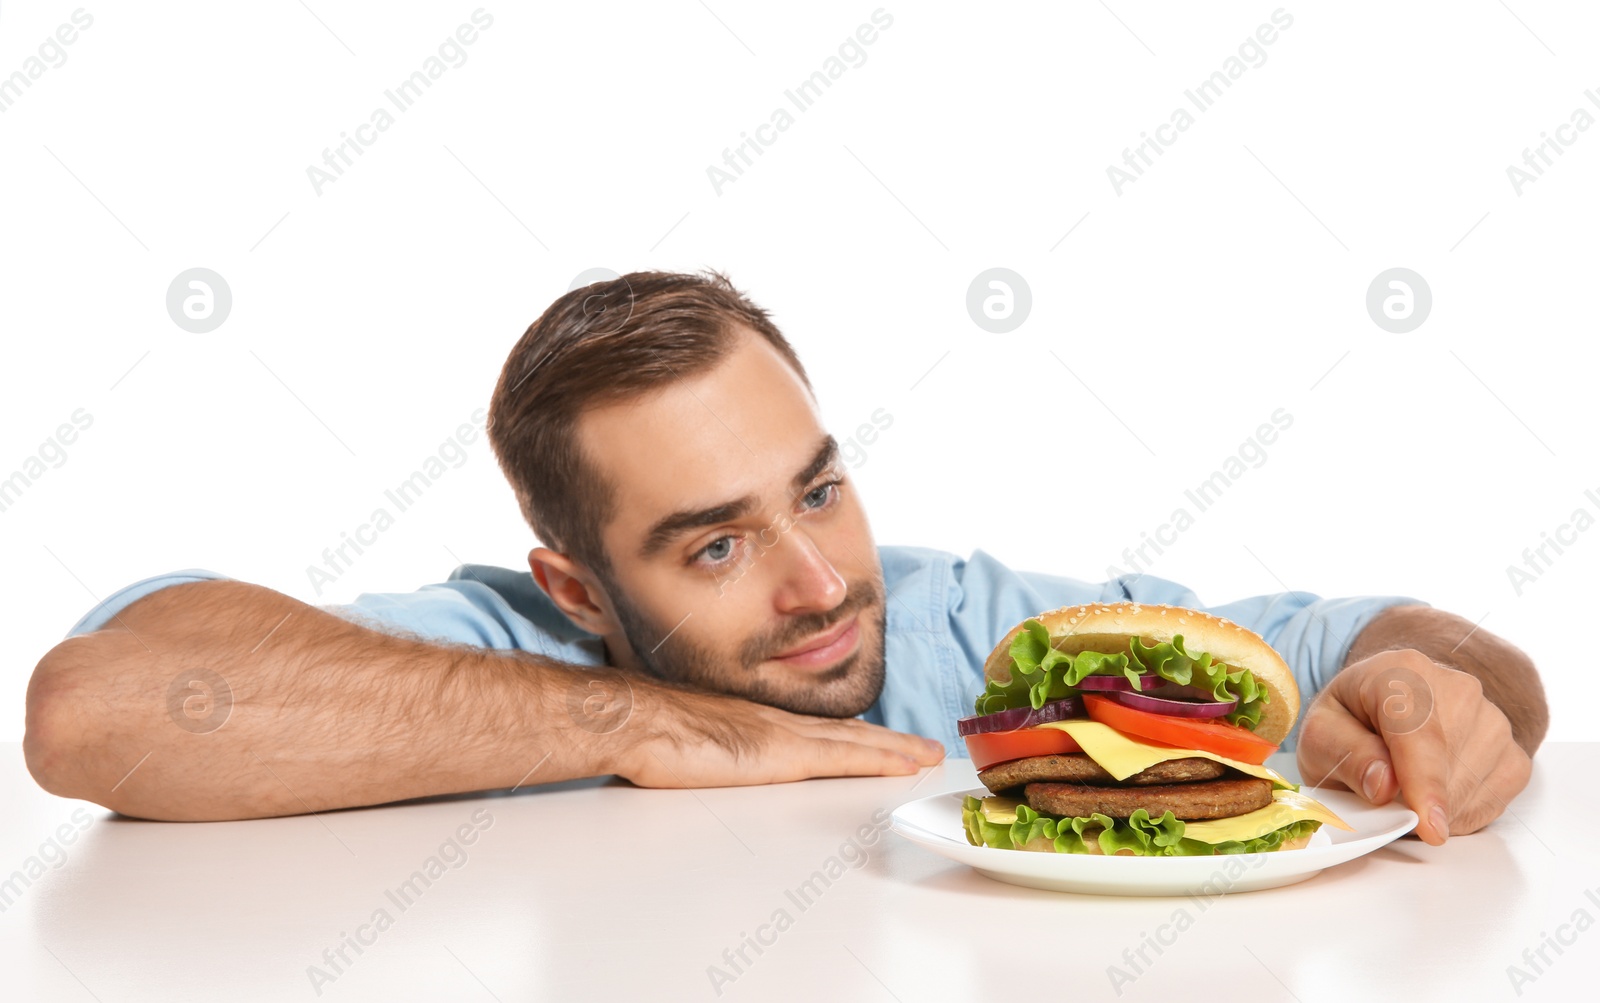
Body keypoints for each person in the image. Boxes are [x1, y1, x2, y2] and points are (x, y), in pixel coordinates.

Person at [24, 272, 1546, 845]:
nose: (818, 587)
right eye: (714, 546)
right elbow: (97, 712)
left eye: (817, 494)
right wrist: (650, 724)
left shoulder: (975, 633)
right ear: (577, 591)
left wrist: (1428, 695)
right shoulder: (493, 655)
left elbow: (1412, 645)